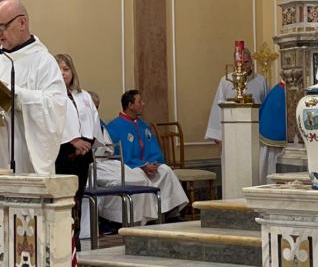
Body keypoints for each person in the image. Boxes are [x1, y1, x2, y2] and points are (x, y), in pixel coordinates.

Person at [0, 0, 66, 175]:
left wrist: (13, 94)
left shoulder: (43, 61)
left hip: (23, 154)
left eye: (3, 27)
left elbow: (55, 106)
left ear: (22, 23)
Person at [106, 90, 187, 220]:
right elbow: (120, 155)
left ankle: (170, 212)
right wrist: (142, 166)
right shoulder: (115, 127)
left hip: (148, 166)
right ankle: (147, 216)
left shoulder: (143, 125)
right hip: (131, 168)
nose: (143, 104)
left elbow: (153, 148)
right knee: (139, 177)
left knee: (165, 170)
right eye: (139, 101)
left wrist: (153, 163)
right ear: (130, 105)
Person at [54, 54, 95, 242]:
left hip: (83, 154)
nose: (63, 73)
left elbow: (92, 120)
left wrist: (86, 143)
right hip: (62, 153)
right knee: (64, 200)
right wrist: (72, 141)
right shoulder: (52, 96)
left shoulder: (83, 95)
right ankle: (64, 240)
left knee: (78, 198)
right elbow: (51, 123)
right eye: (59, 69)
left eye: (66, 69)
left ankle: (75, 239)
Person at [204, 50, 269, 142]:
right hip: (231, 130)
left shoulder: (261, 81)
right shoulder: (226, 81)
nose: (243, 66)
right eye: (239, 62)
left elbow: (266, 108)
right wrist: (217, 134)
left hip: (255, 131)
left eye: (246, 62)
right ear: (234, 63)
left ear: (251, 61)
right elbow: (218, 106)